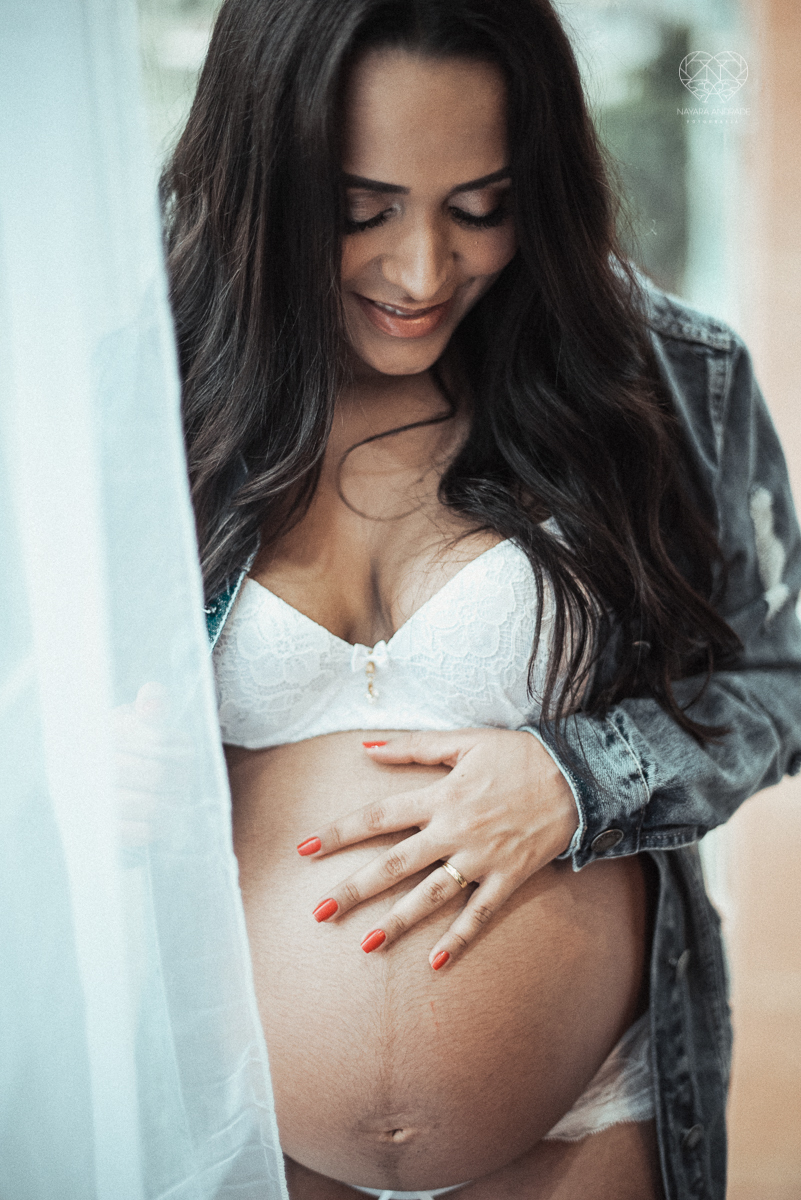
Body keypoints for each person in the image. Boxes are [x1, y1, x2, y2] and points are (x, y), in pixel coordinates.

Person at [161, 1, 801, 1197]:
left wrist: (578, 781)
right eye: (358, 212)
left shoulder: (665, 374)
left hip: (585, 1117)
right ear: (261, 175)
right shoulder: (144, 385)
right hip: (228, 1117)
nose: (420, 271)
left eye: (480, 208)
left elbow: (781, 673)